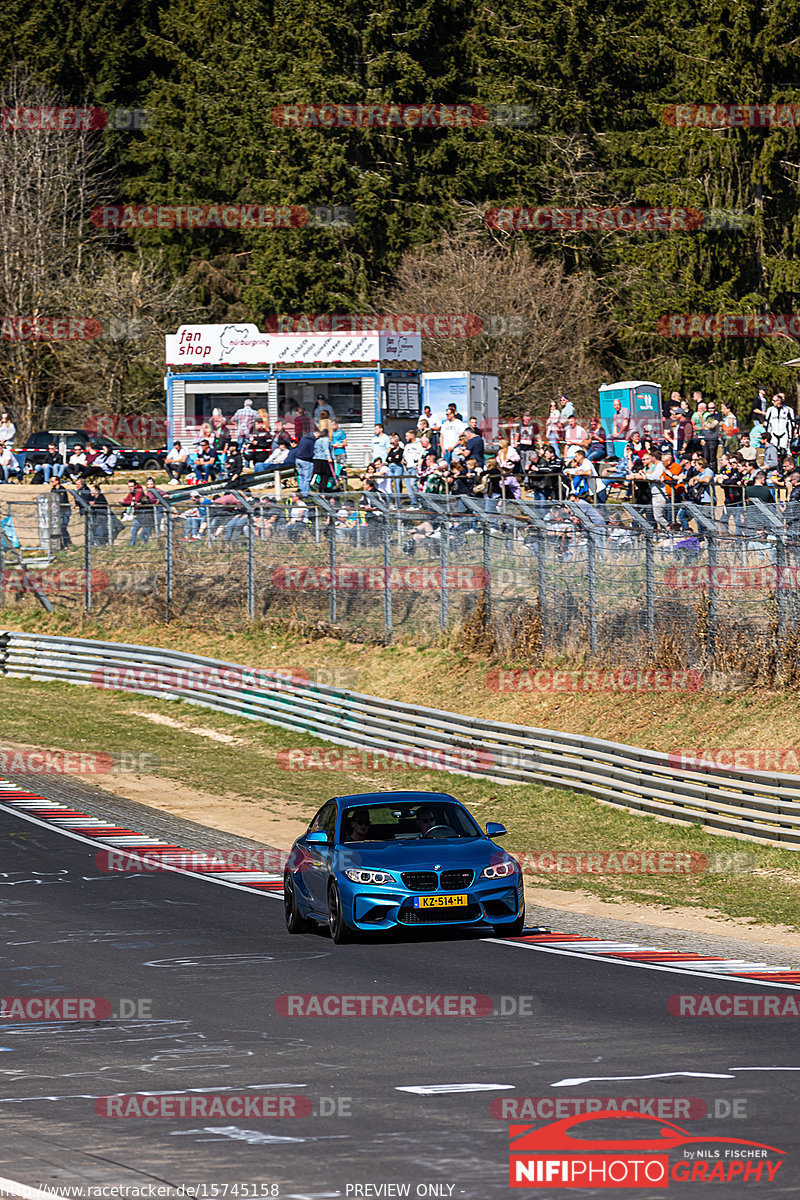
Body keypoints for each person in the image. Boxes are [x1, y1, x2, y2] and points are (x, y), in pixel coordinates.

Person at [123, 478, 154, 546]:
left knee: (145, 532)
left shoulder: (139, 491)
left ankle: (146, 545)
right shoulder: (131, 493)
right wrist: (125, 502)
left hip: (145, 515)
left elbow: (137, 500)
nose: (130, 488)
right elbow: (126, 501)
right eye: (129, 486)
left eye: (131, 486)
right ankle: (132, 545)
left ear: (135, 486)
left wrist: (129, 503)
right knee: (133, 530)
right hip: (138, 514)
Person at [311, 426, 336, 492]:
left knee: (318, 474)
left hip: (316, 459)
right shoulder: (326, 440)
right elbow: (326, 449)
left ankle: (318, 487)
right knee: (325, 476)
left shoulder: (317, 440)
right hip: (324, 460)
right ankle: (322, 490)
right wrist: (329, 457)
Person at [49, 476, 72, 548]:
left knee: (63, 527)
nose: (51, 483)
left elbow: (61, 500)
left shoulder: (62, 489)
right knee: (59, 528)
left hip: (65, 511)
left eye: (52, 481)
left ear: (57, 481)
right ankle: (63, 544)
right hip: (57, 512)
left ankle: (67, 543)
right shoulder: (53, 490)